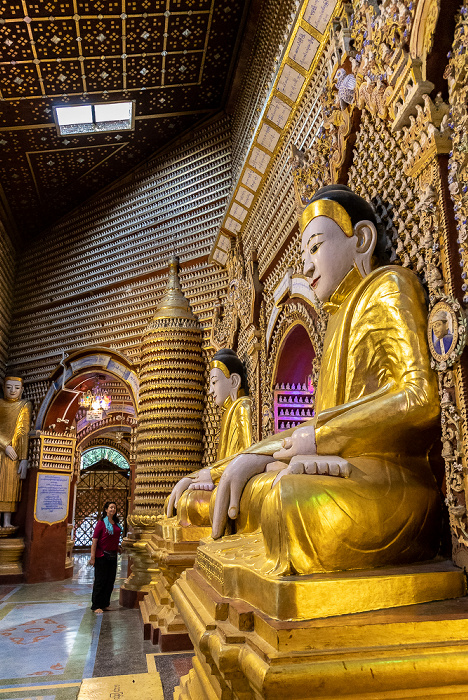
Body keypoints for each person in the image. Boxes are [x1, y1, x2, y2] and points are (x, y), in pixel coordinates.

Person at [207, 184, 441, 576]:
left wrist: (319, 440)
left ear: (361, 239)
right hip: (345, 473)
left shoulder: (388, 286)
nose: (308, 266)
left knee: (290, 497)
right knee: (249, 489)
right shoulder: (334, 322)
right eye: (304, 254)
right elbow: (312, 427)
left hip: (390, 481)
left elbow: (419, 397)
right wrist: (245, 460)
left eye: (314, 248)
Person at [166, 348, 252, 528]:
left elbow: (248, 457)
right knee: (177, 499)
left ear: (234, 381)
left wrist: (211, 474)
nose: (211, 391)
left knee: (191, 503)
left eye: (214, 382)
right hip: (223, 479)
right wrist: (192, 478)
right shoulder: (228, 412)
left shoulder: (243, 407)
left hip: (240, 485)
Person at [0, 375, 32, 530]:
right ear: (3, 387)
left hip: (14, 455)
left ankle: (6, 521)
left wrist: (24, 458)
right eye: (9, 387)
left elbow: (23, 432)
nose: (12, 391)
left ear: (22, 390)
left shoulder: (24, 405)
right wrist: (4, 445)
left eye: (17, 388)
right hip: (3, 449)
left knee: (10, 486)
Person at [89, 501, 122, 613]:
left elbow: (114, 538)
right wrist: (92, 557)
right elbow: (95, 540)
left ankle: (105, 603)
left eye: (114, 507)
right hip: (102, 555)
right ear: (106, 510)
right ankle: (96, 605)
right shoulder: (101, 523)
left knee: (110, 581)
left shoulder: (116, 523)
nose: (113, 509)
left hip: (113, 555)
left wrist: (118, 547)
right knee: (100, 580)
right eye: (111, 507)